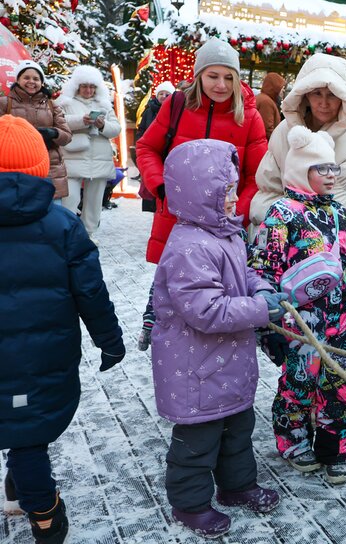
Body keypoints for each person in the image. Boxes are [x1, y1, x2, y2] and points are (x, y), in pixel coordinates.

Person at [0, 115, 125, 544]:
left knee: (15, 423)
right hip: (42, 358)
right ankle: (45, 513)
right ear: (41, 168)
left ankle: (18, 486)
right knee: (29, 432)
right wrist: (110, 341)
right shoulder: (62, 225)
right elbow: (91, 291)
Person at [151, 139, 284, 538]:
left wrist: (261, 289)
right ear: (196, 193)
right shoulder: (189, 247)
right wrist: (261, 310)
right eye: (223, 192)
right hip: (196, 369)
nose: (232, 199)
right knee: (198, 442)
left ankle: (237, 485)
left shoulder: (226, 233)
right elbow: (205, 311)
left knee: (237, 432)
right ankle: (189, 503)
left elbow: (243, 276)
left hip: (228, 363)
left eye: (232, 191)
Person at [249, 126, 346, 485]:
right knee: (299, 385)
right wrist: (267, 320)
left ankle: (335, 446)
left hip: (342, 321)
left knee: (340, 385)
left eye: (334, 168)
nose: (332, 175)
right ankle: (293, 439)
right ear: (301, 170)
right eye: (322, 168)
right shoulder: (282, 215)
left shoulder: (338, 213)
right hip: (298, 323)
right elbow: (265, 267)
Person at [136, 37, 268, 351]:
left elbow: (257, 176)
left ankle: (215, 360)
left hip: (226, 222)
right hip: (177, 218)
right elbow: (147, 147)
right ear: (199, 75)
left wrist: (239, 211)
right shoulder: (177, 105)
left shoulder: (249, 117)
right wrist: (163, 188)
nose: (221, 84)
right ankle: (166, 347)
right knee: (171, 286)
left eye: (228, 77)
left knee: (217, 294)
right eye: (213, 75)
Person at [251, 53, 346, 261]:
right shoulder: (284, 132)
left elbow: (334, 199)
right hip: (281, 229)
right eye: (317, 93)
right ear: (305, 94)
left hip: (334, 233)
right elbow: (269, 185)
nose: (324, 103)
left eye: (332, 95)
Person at [58, 65, 122, 238]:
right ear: (77, 86)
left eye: (92, 86)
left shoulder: (104, 104)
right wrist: (82, 121)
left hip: (99, 159)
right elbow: (58, 122)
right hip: (73, 158)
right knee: (69, 202)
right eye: (85, 86)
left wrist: (102, 125)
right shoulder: (65, 102)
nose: (88, 90)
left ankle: (88, 236)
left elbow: (116, 128)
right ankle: (68, 237)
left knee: (94, 203)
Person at [3, 61, 72, 201]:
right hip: (15, 165)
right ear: (18, 79)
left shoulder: (52, 105)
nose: (31, 82)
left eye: (36, 79)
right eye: (26, 77)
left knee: (51, 214)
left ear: (42, 82)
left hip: (50, 167)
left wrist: (54, 133)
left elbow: (67, 136)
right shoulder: (4, 103)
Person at [256, 72, 286, 139]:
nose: (283, 90)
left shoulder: (263, 98)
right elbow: (267, 128)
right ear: (275, 87)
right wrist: (277, 142)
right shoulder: (267, 102)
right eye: (282, 87)